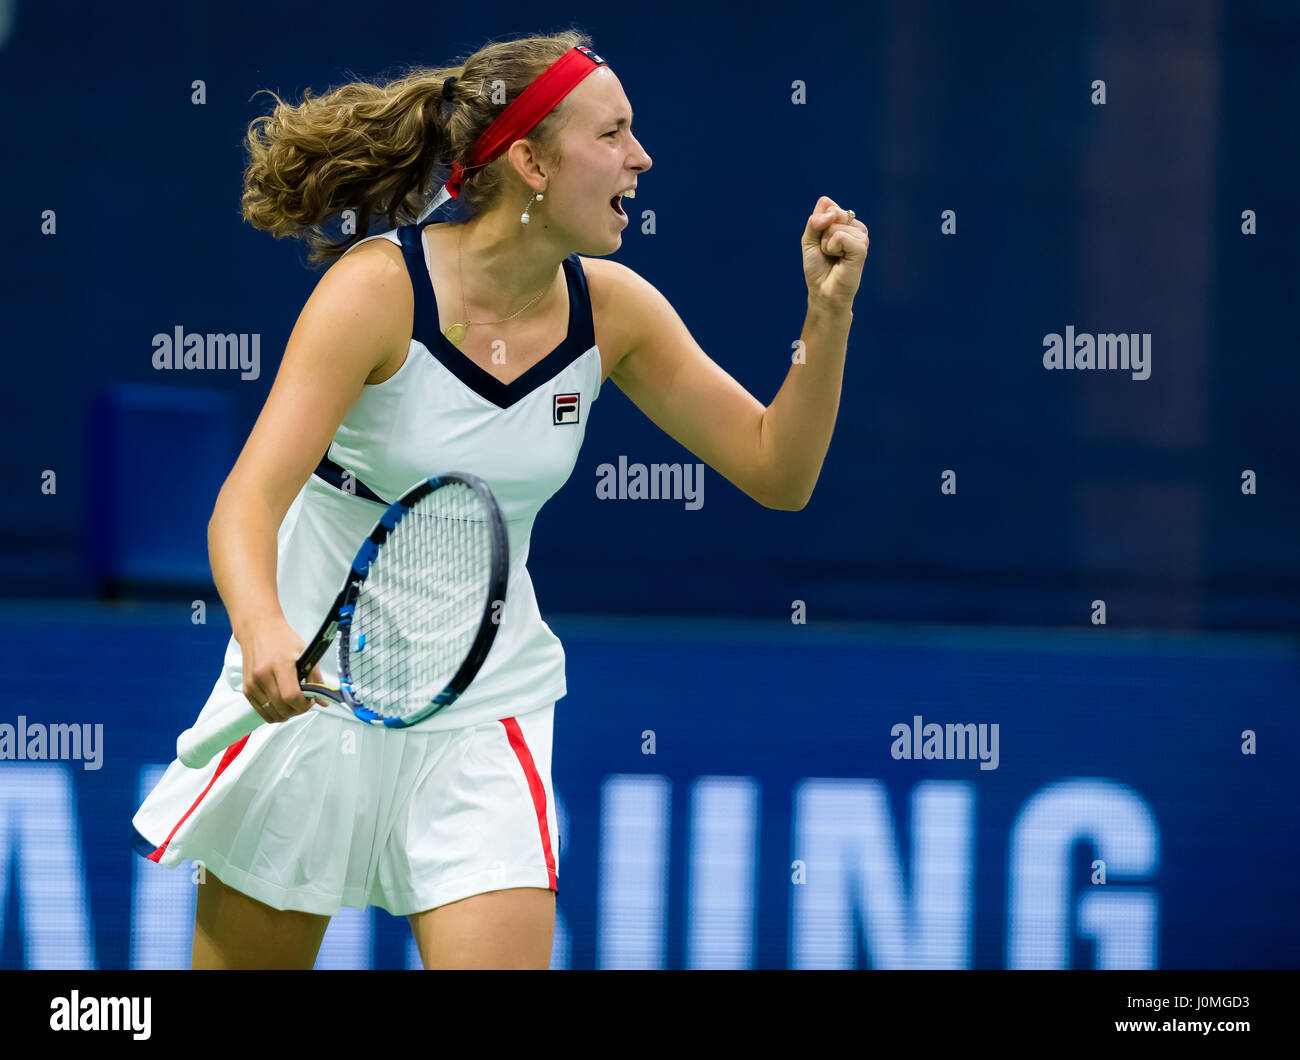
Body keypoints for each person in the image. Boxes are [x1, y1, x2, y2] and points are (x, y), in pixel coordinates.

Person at [130, 29, 868, 970]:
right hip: (310, 695)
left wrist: (827, 317)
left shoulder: (615, 311)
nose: (641, 157)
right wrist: (262, 627)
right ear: (529, 161)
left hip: (485, 710)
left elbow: (778, 471)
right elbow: (246, 503)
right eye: (613, 134)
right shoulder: (376, 293)